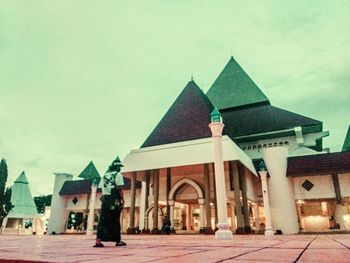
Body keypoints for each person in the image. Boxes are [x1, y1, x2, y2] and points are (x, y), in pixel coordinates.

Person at [93, 157, 127, 247]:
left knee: (103, 220)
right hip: (114, 199)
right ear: (117, 167)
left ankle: (98, 241)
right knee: (115, 219)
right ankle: (117, 240)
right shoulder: (118, 175)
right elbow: (119, 189)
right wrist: (122, 199)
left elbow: (102, 188)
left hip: (105, 199)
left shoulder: (104, 175)